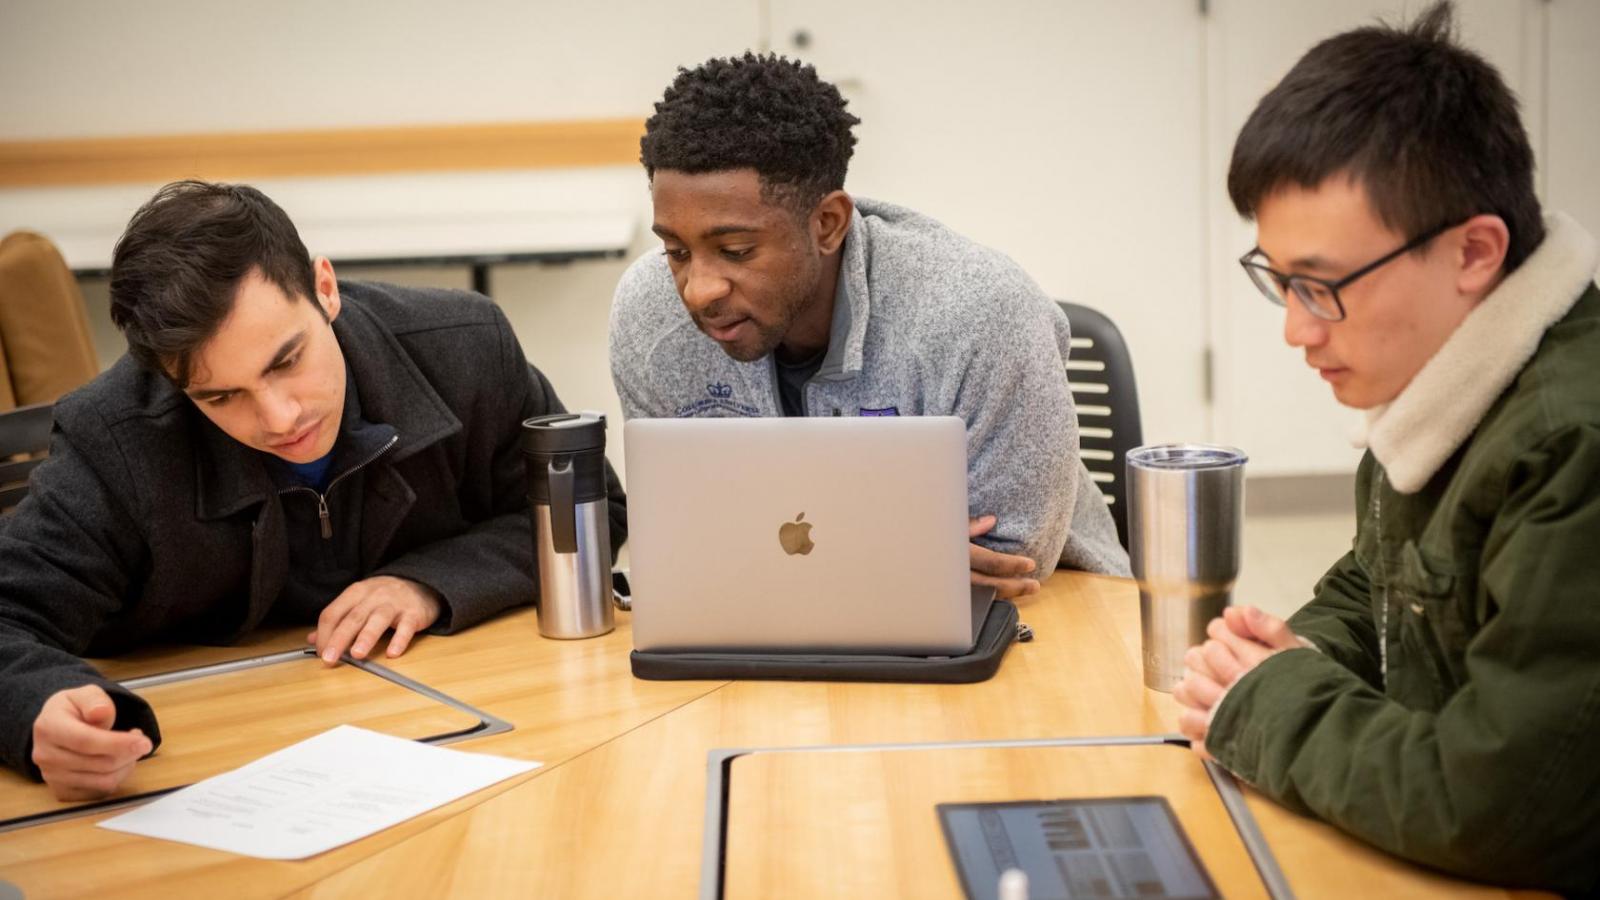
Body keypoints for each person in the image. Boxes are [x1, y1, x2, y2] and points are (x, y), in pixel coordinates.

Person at [0, 180, 626, 800]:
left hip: (458, 733)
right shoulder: (114, 438)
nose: (278, 418)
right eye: (221, 396)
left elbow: (592, 509)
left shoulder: (466, 346)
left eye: (286, 361)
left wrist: (431, 581)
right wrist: (37, 709)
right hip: (212, 756)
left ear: (324, 287)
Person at [1173, 3, 1600, 892]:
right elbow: (1378, 583)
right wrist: (1294, 653)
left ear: (1475, 251)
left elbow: (1501, 804)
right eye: (1277, 281)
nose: (1295, 330)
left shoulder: (1572, 442)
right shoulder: (1444, 373)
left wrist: (1268, 703)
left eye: (1320, 288)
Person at [609, 53, 1129, 593]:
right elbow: (676, 536)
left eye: (736, 251)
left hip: (1055, 614)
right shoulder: (650, 312)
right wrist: (904, 550)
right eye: (674, 250)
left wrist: (754, 543)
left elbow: (1010, 564)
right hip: (761, 607)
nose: (699, 289)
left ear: (828, 224)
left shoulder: (981, 314)